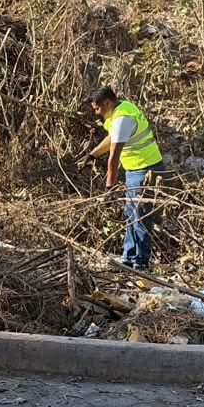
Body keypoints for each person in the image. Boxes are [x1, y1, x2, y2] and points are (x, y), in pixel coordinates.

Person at [80, 86, 165, 271]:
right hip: (136, 169)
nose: (96, 113)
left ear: (107, 103)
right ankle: (128, 258)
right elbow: (112, 138)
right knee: (131, 214)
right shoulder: (122, 109)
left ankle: (140, 264)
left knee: (140, 217)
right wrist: (93, 155)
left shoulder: (122, 118)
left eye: (97, 108)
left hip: (145, 169)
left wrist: (109, 188)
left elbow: (114, 157)